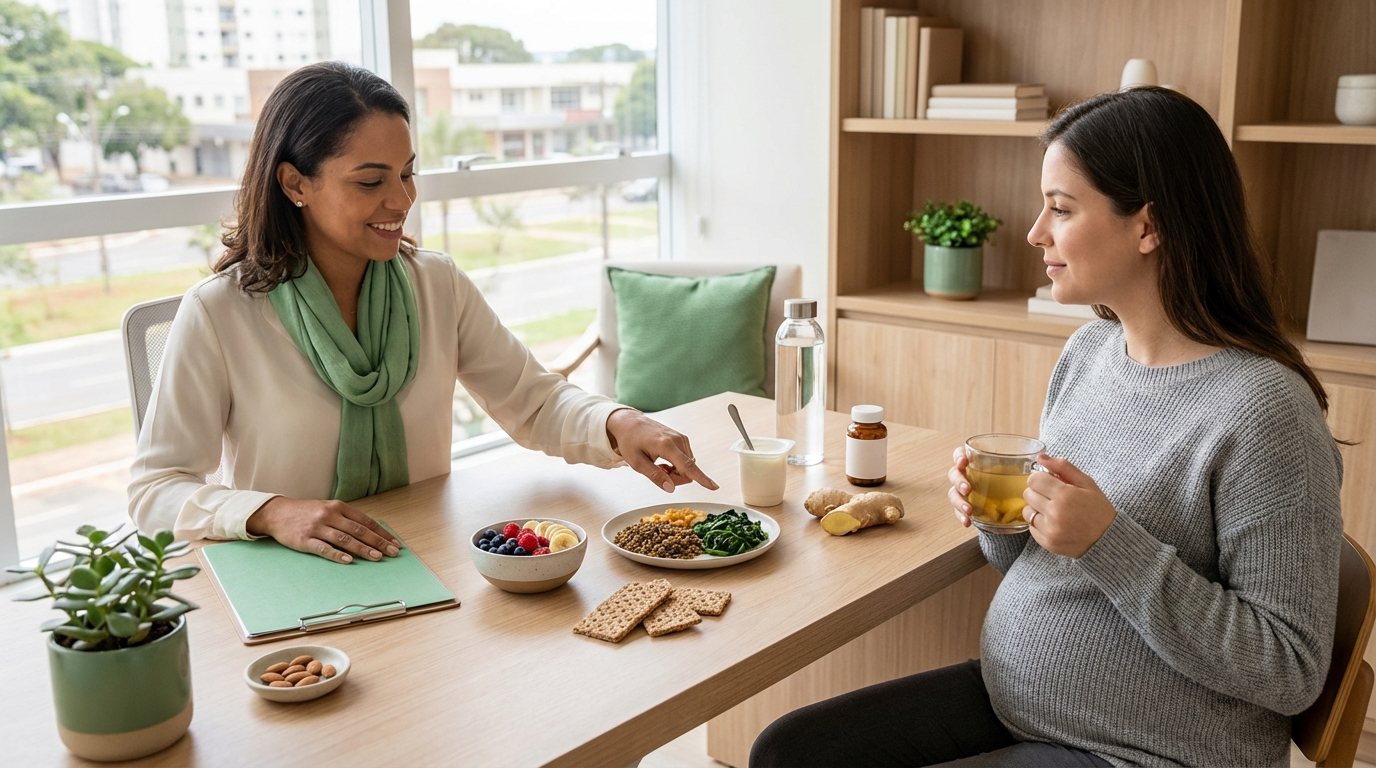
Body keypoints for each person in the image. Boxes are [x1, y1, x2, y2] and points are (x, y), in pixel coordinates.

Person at [750, 87, 1343, 767]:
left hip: (1147, 753)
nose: (1035, 232)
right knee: (788, 751)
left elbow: (1289, 669)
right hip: (1019, 705)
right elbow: (1040, 563)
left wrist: (1109, 543)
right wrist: (1004, 521)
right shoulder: (1090, 354)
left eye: (1061, 208)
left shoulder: (1266, 412)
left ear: (1148, 227)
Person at [128, 62, 717, 563]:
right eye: (370, 182)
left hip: (426, 556)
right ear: (294, 183)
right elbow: (155, 491)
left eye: (407, 173)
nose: (402, 199)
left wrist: (619, 422)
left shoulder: (436, 284)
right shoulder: (220, 313)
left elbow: (534, 401)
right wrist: (271, 512)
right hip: (289, 581)